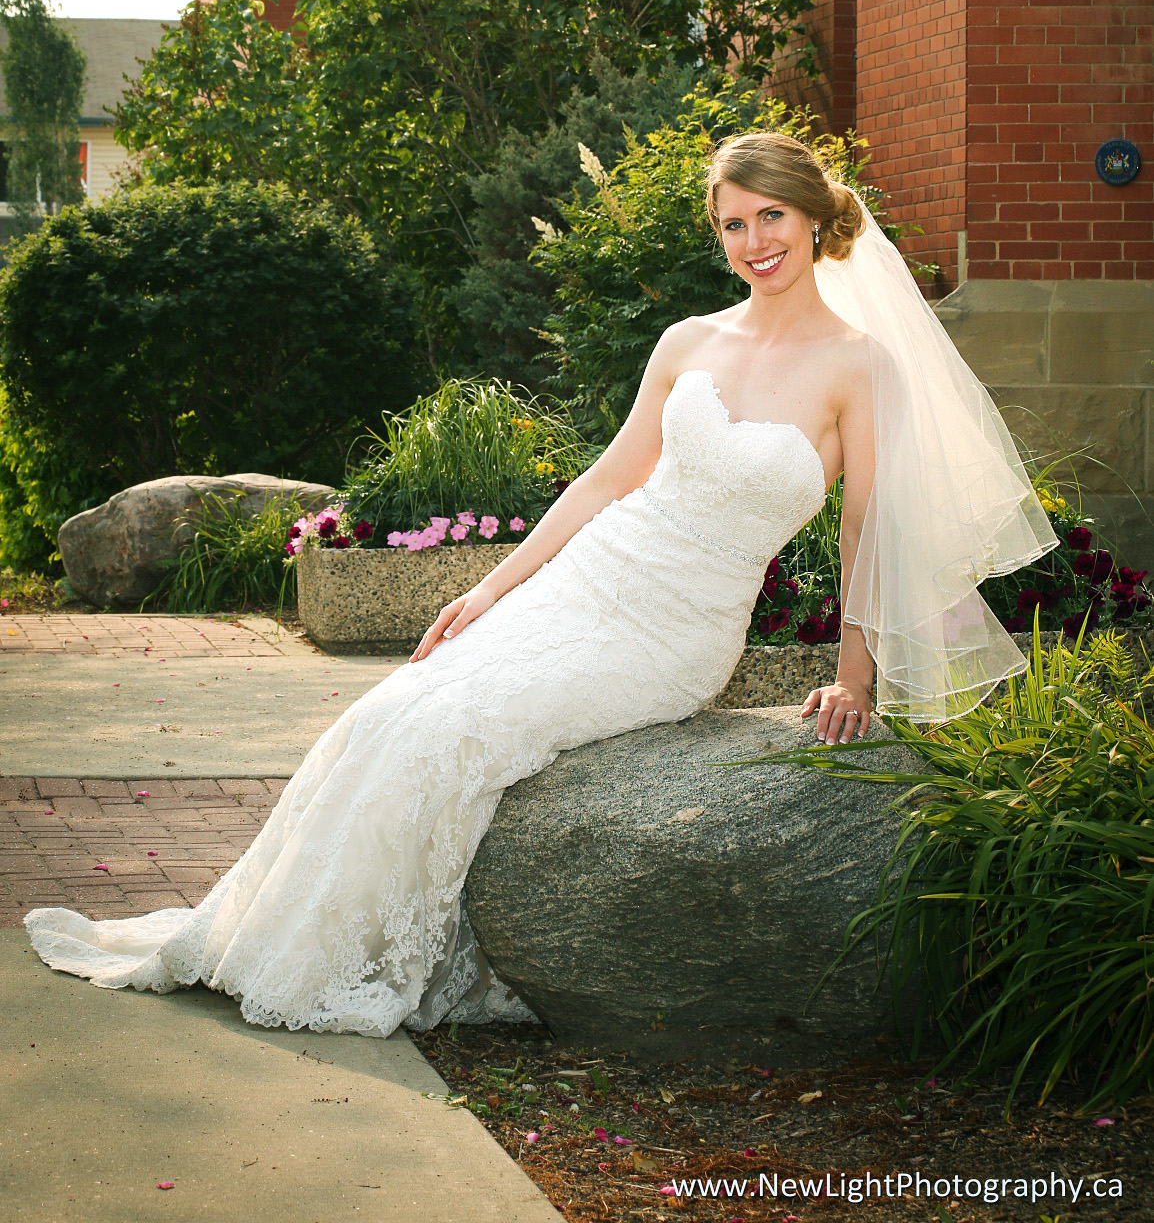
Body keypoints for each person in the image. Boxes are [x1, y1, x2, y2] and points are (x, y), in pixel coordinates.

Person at [24, 132, 1055, 1039]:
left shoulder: (858, 365)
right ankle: (269, 935)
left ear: (814, 217)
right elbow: (609, 478)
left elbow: (869, 528)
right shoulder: (688, 341)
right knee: (389, 712)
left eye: (769, 216)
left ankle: (356, 960)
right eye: (731, 224)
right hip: (591, 584)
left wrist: (853, 679)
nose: (751, 242)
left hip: (675, 633)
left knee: (451, 735)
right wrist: (491, 592)